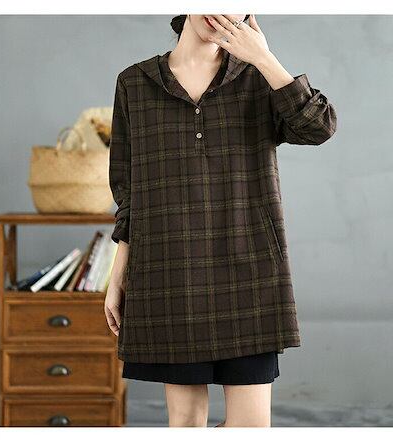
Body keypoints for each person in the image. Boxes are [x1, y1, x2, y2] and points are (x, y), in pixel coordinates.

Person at [104, 14, 337, 427]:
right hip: (169, 274)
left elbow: (319, 127)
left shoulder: (259, 78)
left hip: (250, 274)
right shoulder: (135, 83)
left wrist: (265, 58)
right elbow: (129, 192)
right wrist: (118, 274)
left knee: (252, 427)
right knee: (186, 423)